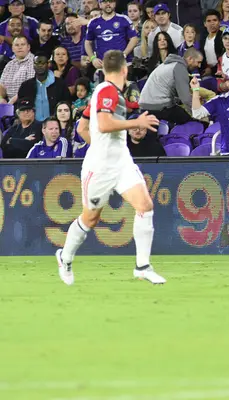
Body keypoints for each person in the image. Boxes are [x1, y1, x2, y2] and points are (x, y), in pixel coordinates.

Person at [56, 50, 165, 286]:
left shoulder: (110, 94)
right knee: (90, 219)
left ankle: (142, 266)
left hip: (121, 162)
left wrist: (105, 146)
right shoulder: (106, 91)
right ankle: (65, 257)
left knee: (145, 206)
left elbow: (83, 127)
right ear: (125, 70)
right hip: (100, 169)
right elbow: (104, 124)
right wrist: (136, 123)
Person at [139, 47, 203, 124]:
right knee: (192, 122)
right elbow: (185, 99)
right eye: (198, 62)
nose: (199, 66)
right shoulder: (180, 68)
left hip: (145, 106)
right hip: (158, 107)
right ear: (190, 59)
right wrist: (199, 115)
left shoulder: (169, 64)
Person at [85, 0, 139, 70]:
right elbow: (87, 42)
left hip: (123, 64)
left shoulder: (124, 19)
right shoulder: (93, 22)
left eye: (110, 1)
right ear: (100, 4)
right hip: (103, 66)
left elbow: (134, 39)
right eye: (105, 2)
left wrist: (124, 54)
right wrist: (93, 58)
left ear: (115, 3)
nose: (108, 4)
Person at [18, 53, 71, 122]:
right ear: (33, 65)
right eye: (37, 63)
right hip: (32, 125)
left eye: (42, 63)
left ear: (48, 64)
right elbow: (20, 106)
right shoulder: (26, 86)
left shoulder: (60, 84)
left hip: (55, 125)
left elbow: (67, 103)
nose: (39, 66)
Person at [0, 36, 34, 103]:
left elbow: (28, 88)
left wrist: (10, 103)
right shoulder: (10, 64)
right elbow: (2, 86)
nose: (19, 47)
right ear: (12, 48)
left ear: (28, 47)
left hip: (25, 102)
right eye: (16, 45)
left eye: (23, 44)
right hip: (9, 101)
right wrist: (1, 98)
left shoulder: (33, 62)